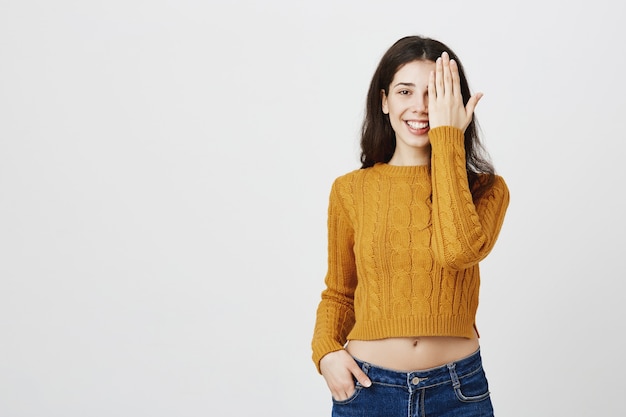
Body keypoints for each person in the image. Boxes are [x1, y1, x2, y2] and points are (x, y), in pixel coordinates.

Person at [311, 35, 510, 417]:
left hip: (458, 393)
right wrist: (325, 353)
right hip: (367, 391)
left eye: (434, 94)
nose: (420, 107)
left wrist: (448, 137)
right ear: (384, 100)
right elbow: (339, 292)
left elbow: (458, 251)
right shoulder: (351, 190)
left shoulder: (486, 189)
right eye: (405, 91)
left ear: (454, 104)